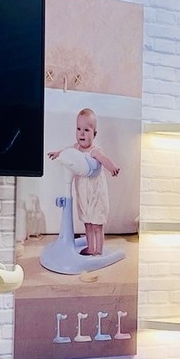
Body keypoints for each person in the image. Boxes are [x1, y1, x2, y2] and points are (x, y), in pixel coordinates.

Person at [50, 107, 120, 255]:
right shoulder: (75, 148)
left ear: (94, 134)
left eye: (86, 130)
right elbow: (67, 152)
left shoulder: (94, 151)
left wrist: (112, 167)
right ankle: (91, 247)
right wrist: (58, 153)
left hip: (95, 194)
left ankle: (98, 250)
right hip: (83, 194)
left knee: (96, 224)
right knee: (87, 223)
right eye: (78, 129)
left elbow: (104, 159)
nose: (81, 133)